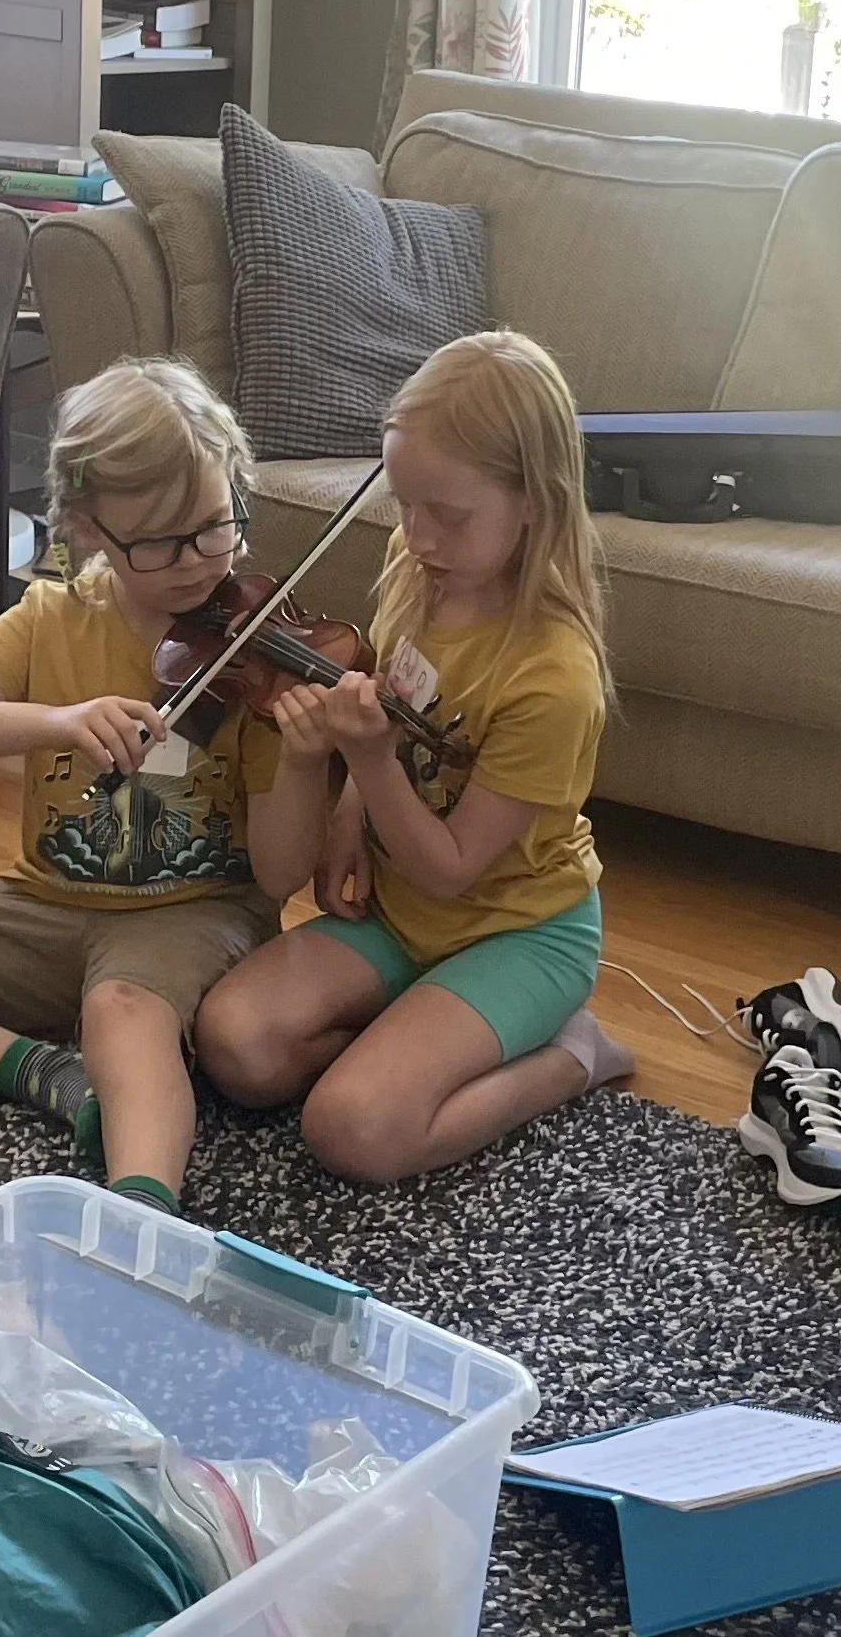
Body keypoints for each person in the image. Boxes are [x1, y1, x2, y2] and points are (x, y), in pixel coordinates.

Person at [197, 330, 634, 1182]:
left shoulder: (554, 678)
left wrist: (366, 771)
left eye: (450, 515)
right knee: (236, 1047)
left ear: (534, 503)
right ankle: (417, 1033)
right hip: (402, 917)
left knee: (353, 1132)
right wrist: (351, 820)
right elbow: (396, 710)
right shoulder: (417, 571)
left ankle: (574, 1054)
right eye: (406, 505)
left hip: (518, 934)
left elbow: (451, 869)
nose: (420, 537)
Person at [0, 357, 326, 1214]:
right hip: (47, 900)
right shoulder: (48, 619)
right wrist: (57, 721)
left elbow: (280, 876)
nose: (196, 565)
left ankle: (138, 1220)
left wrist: (302, 759)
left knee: (122, 1012)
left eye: (217, 528)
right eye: (157, 542)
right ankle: (40, 1071)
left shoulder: (256, 647)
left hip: (194, 913)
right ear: (86, 526)